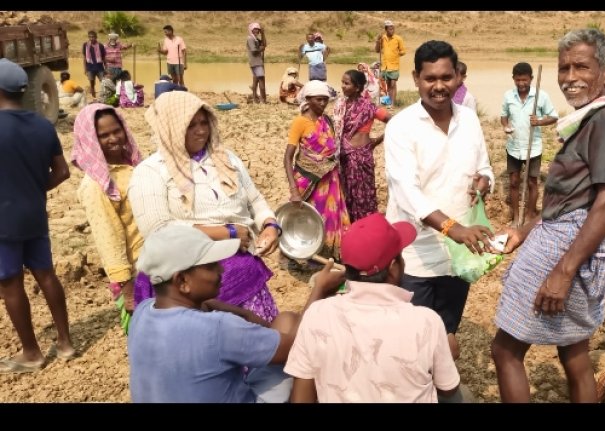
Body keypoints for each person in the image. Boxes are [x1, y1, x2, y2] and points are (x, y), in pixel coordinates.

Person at [490, 29, 605, 403]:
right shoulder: (590, 118)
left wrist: (563, 271)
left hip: (565, 246)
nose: (570, 77)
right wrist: (525, 230)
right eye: (564, 68)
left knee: (505, 350)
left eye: (581, 67)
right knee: (574, 351)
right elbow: (573, 197)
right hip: (567, 238)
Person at [128, 225, 345, 403]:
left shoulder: (143, 313)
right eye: (211, 266)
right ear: (182, 281)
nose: (222, 270)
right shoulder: (216, 329)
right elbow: (299, 347)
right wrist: (320, 289)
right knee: (307, 359)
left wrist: (231, 310)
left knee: (286, 321)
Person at [128, 91, 283, 323]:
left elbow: (255, 200)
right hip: (187, 278)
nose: (201, 131)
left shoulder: (226, 159)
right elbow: (157, 230)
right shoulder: (150, 171)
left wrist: (270, 226)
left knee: (255, 336)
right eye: (190, 125)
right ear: (171, 128)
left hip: (242, 272)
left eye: (204, 123)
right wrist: (227, 232)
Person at [384, 40, 495, 360]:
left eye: (446, 77)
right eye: (430, 78)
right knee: (413, 341)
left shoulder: (469, 119)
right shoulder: (401, 127)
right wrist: (452, 228)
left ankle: (442, 377)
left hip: (458, 254)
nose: (438, 86)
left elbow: (484, 167)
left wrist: (484, 181)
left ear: (458, 76)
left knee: (447, 329)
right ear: (416, 78)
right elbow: (407, 193)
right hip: (415, 253)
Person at [284, 213, 461, 403]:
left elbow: (301, 397)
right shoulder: (426, 322)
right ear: (393, 267)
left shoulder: (317, 314)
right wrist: (446, 353)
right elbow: (448, 389)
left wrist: (320, 289)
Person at [0, 59, 74, 373]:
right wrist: (33, 189)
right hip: (34, 214)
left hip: (4, 221)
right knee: (46, 275)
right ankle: (66, 342)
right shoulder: (44, 125)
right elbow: (62, 171)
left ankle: (31, 353)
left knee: (10, 283)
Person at [71, 103, 144, 333]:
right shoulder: (96, 185)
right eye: (103, 135)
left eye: (117, 130)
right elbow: (108, 239)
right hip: (137, 273)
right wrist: (127, 289)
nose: (113, 139)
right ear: (90, 140)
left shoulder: (132, 165)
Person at [284, 80, 349, 262]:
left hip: (330, 179)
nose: (322, 103)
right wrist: (294, 190)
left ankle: (327, 254)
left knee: (330, 216)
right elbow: (287, 158)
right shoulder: (300, 122)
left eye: (325, 100)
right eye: (318, 99)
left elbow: (331, 150)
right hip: (308, 179)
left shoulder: (326, 121)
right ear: (308, 99)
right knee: (307, 218)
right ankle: (303, 253)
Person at [499, 61, 558, 227]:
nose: (521, 83)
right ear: (513, 79)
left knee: (532, 182)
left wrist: (539, 121)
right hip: (514, 147)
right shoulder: (508, 96)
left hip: (533, 148)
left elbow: (553, 117)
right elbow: (503, 116)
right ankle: (516, 217)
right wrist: (506, 126)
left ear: (531, 79)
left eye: (524, 80)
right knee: (513, 182)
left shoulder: (541, 96)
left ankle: (530, 214)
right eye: (518, 80)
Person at [334, 69, 392, 222]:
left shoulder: (369, 107)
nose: (343, 86)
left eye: (347, 83)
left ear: (358, 87)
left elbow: (393, 121)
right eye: (342, 82)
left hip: (362, 156)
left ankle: (367, 223)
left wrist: (378, 140)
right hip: (344, 157)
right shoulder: (340, 105)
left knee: (365, 191)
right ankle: (351, 224)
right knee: (347, 191)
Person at [374, 20, 406, 109]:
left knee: (393, 84)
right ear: (386, 29)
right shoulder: (382, 38)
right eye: (390, 29)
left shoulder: (398, 38)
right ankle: (389, 102)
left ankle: (393, 104)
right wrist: (377, 41)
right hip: (385, 65)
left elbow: (403, 51)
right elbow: (377, 50)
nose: (392, 30)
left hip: (394, 65)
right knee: (388, 85)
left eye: (393, 29)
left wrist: (396, 54)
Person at [247, 22, 267, 104]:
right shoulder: (250, 39)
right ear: (251, 30)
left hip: (257, 62)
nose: (257, 31)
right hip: (256, 62)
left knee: (255, 80)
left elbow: (264, 44)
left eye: (258, 29)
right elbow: (254, 51)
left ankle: (255, 98)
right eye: (255, 29)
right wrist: (261, 49)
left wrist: (263, 33)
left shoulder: (255, 39)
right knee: (261, 80)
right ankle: (263, 100)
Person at [82, 30, 106, 98]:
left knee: (103, 83)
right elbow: (84, 58)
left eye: (93, 37)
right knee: (92, 84)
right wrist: (85, 69)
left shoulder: (100, 45)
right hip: (90, 68)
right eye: (90, 37)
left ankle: (103, 97)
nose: (91, 38)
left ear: (96, 37)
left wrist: (106, 68)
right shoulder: (85, 45)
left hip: (100, 68)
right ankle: (94, 98)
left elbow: (104, 58)